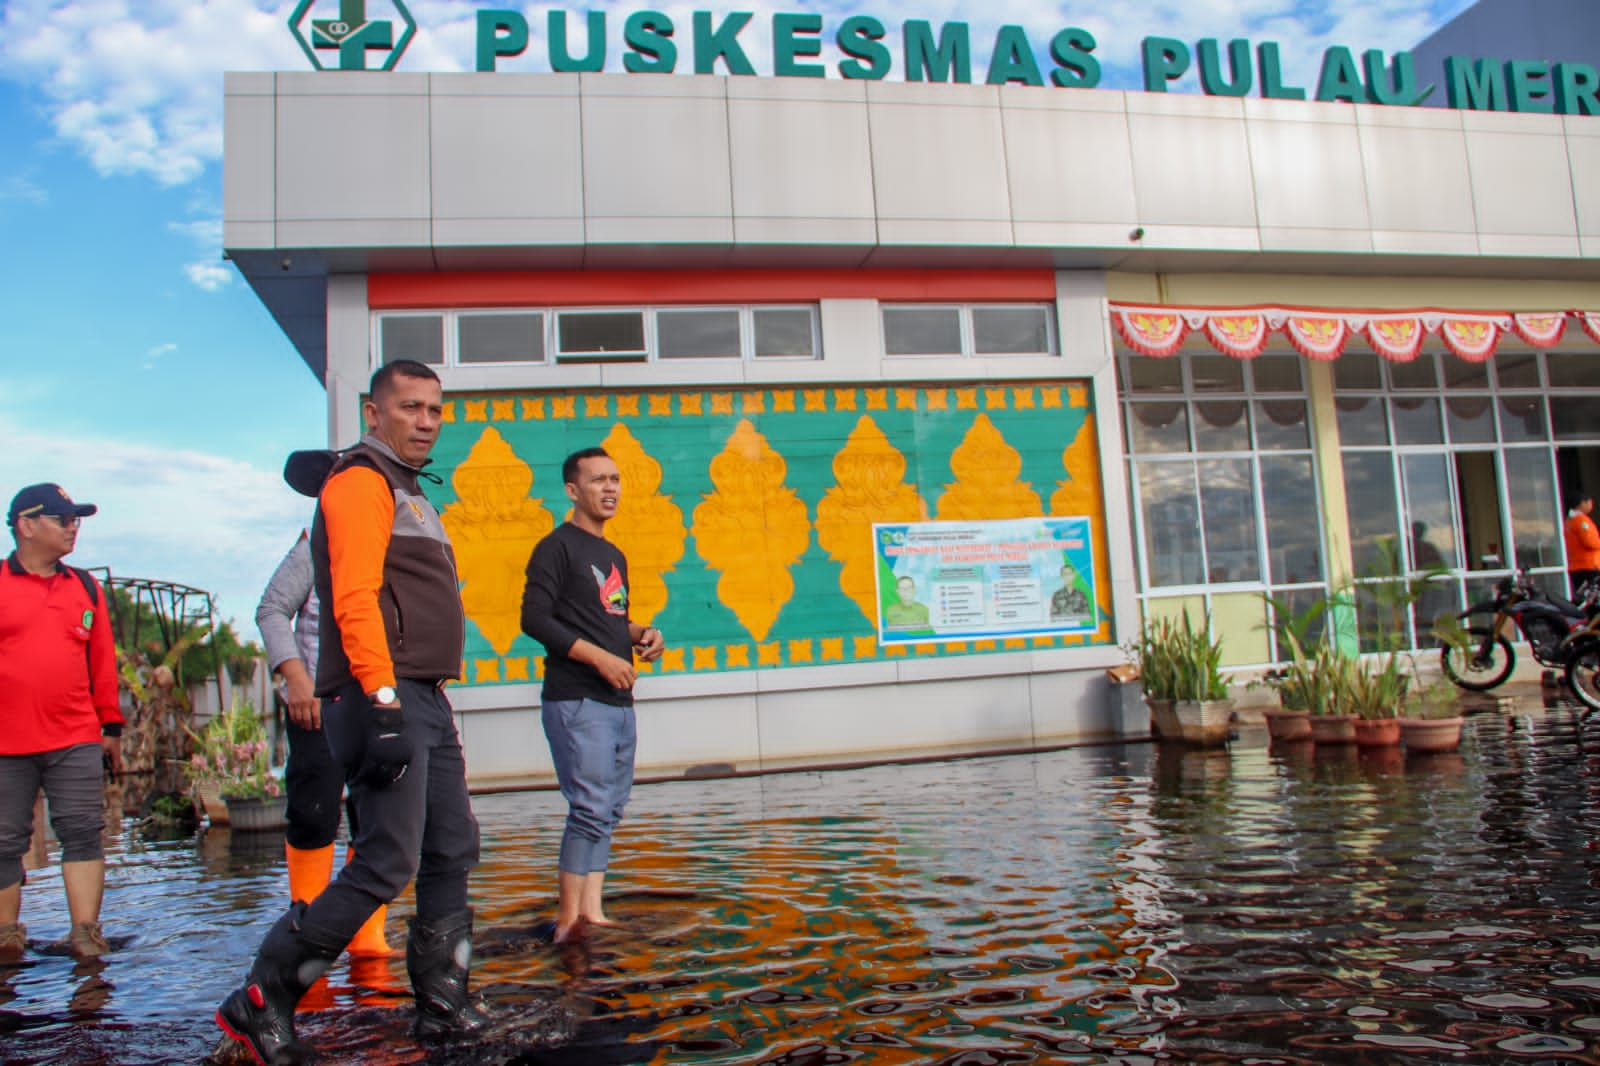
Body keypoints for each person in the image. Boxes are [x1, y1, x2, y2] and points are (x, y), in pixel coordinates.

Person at [217, 360, 484, 1064]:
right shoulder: (361, 481)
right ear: (373, 412)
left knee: (452, 848)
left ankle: (443, 1004)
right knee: (385, 860)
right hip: (379, 695)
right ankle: (262, 995)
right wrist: (385, 700)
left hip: (425, 694)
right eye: (409, 408)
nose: (425, 420)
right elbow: (355, 600)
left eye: (434, 409)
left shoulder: (411, 493)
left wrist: (418, 695)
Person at [521, 447, 665, 944]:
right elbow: (534, 619)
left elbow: (607, 620)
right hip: (576, 697)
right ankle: (566, 921)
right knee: (588, 806)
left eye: (616, 479)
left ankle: (593, 911)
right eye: (599, 480)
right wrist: (599, 658)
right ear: (572, 490)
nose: (611, 489)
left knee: (610, 807)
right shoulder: (555, 547)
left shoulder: (613, 555)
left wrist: (642, 633)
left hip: (618, 701)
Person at [0, 483, 123, 960]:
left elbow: (102, 663)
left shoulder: (85, 587)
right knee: (5, 840)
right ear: (26, 525)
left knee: (82, 831)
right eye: (63, 518)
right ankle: (8, 937)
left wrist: (110, 728)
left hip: (73, 736)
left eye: (77, 519)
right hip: (7, 742)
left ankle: (85, 933)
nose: (74, 527)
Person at [255, 530, 390, 958]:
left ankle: (366, 935)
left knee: (377, 816)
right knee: (314, 813)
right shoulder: (315, 546)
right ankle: (306, 928)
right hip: (318, 702)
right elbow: (272, 609)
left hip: (380, 701)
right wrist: (295, 677)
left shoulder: (395, 539)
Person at [1566, 491, 1599, 598]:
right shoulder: (1581, 520)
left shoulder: (1569, 521)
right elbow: (1590, 542)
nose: (1591, 505)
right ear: (1582, 503)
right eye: (1589, 502)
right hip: (1588, 566)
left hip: (1576, 566)